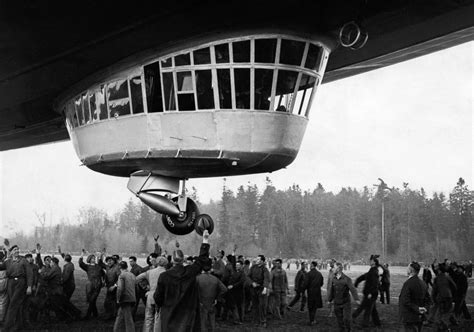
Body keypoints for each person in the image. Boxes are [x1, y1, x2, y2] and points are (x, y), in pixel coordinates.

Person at [154, 230, 212, 332]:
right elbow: (202, 260)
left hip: (169, 315)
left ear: (172, 260)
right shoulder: (190, 272)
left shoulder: (164, 276)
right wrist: (205, 240)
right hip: (187, 316)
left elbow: (158, 297)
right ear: (183, 260)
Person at [0, 244, 33, 331]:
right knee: (16, 304)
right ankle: (19, 325)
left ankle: (6, 327)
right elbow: (0, 267)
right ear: (11, 252)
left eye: (18, 249)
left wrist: (29, 286)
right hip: (10, 284)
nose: (17, 251)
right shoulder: (8, 262)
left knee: (13, 304)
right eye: (15, 250)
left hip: (20, 283)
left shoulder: (23, 261)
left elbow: (30, 274)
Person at [136, 255, 168, 332]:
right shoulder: (167, 273)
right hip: (161, 296)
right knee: (158, 316)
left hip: (150, 295)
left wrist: (145, 287)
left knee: (148, 316)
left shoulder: (150, 272)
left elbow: (137, 278)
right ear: (166, 263)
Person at [399, 261, 431, 332]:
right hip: (419, 317)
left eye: (408, 268)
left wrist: (417, 308)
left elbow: (405, 301)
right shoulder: (423, 283)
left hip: (409, 317)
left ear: (410, 270)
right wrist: (425, 309)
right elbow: (428, 299)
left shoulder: (408, 283)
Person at [196, 259, 227, 331]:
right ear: (210, 269)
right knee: (212, 319)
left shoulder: (197, 278)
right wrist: (217, 297)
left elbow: (193, 291)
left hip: (201, 302)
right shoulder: (215, 279)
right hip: (212, 301)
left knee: (203, 321)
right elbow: (224, 289)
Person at [328, 262, 360, 332]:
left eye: (334, 267)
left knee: (346, 319)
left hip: (346, 303)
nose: (332, 268)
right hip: (337, 303)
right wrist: (329, 300)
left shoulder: (347, 279)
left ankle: (348, 330)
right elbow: (332, 291)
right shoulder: (333, 279)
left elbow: (353, 289)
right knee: (339, 321)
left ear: (338, 269)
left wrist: (356, 299)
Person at [353, 254, 381, 328]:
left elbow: (375, 283)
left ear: (374, 262)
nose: (370, 261)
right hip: (370, 293)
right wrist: (357, 281)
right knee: (372, 309)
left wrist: (370, 293)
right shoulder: (372, 270)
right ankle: (377, 323)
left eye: (371, 260)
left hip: (371, 293)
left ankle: (364, 324)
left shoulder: (374, 271)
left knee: (367, 309)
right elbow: (365, 276)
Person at [79, 250, 105, 319]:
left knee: (92, 299)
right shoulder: (87, 267)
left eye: (94, 258)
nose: (93, 259)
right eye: (92, 258)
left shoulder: (98, 266)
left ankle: (87, 315)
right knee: (91, 300)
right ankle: (95, 314)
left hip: (97, 284)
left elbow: (104, 274)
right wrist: (82, 254)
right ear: (89, 259)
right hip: (90, 285)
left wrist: (103, 281)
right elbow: (80, 263)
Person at [248, 254, 271, 328]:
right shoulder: (253, 267)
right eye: (256, 259)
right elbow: (248, 276)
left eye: (258, 259)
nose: (256, 260)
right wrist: (252, 283)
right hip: (253, 289)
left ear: (262, 261)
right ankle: (255, 320)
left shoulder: (265, 269)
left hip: (261, 290)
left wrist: (265, 288)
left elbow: (266, 279)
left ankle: (263, 321)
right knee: (255, 306)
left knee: (262, 306)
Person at [114, 261, 136, 332]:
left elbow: (120, 288)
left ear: (119, 267)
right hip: (132, 297)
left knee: (128, 318)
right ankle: (116, 330)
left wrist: (118, 299)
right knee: (120, 316)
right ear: (126, 266)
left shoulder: (122, 275)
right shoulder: (132, 275)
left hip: (125, 299)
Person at [226, 260, 246, 325]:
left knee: (239, 307)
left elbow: (241, 282)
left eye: (238, 265)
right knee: (234, 306)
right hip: (233, 292)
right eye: (236, 265)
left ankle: (240, 319)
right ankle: (236, 319)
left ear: (241, 266)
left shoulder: (242, 273)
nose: (237, 266)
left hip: (239, 292)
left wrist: (233, 286)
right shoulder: (235, 272)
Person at [305, 261, 324, 325]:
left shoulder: (308, 274)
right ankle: (313, 319)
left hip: (310, 292)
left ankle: (311, 320)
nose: (309, 266)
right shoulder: (319, 274)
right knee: (315, 307)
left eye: (310, 265)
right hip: (317, 292)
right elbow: (321, 283)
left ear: (312, 265)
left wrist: (304, 290)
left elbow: (306, 283)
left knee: (310, 306)